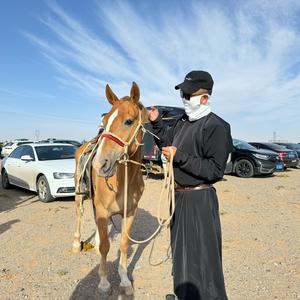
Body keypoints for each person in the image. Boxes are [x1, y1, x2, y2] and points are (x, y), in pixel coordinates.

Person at [148, 70, 233, 300]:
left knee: (203, 260)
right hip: (179, 199)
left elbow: (215, 170)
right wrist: (156, 124)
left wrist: (181, 157)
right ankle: (183, 294)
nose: (184, 99)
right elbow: (167, 142)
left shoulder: (216, 126)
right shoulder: (182, 123)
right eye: (182, 94)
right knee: (182, 255)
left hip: (200, 200)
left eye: (188, 94)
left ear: (204, 98)